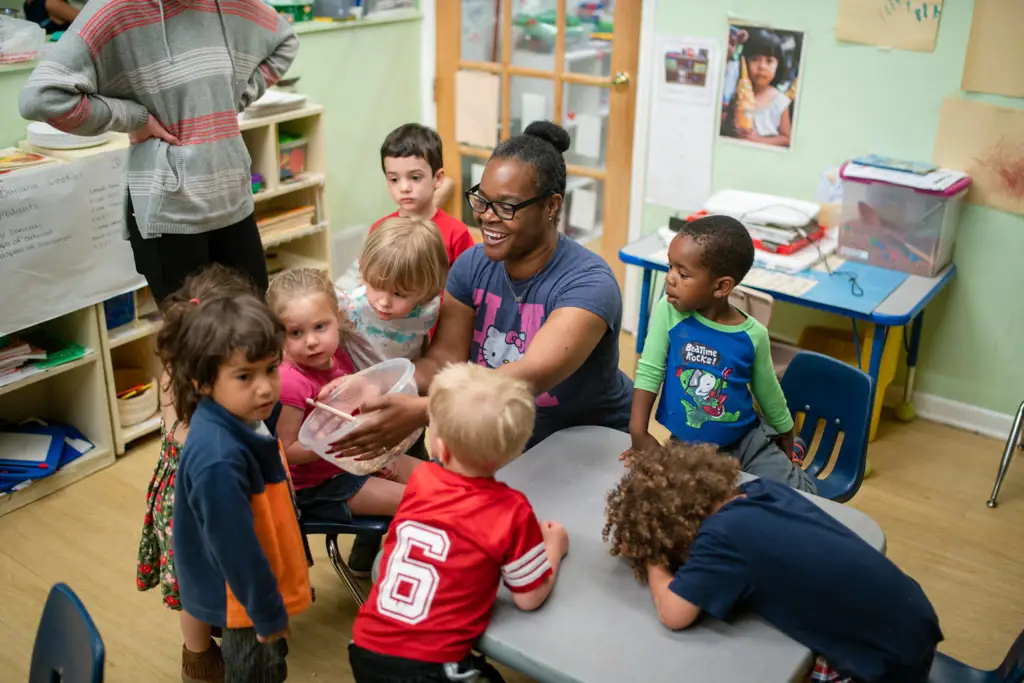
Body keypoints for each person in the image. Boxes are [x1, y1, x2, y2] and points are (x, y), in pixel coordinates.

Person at [324, 121, 633, 460]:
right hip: (502, 434)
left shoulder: (588, 284)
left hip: (589, 438)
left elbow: (528, 378)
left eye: (507, 206)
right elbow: (444, 360)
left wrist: (425, 410)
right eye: (482, 201)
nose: (487, 217)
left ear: (551, 206)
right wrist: (378, 383)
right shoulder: (472, 266)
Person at [18, 0, 299, 303]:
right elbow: (42, 97)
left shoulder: (231, 4)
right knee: (196, 343)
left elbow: (285, 40)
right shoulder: (114, 9)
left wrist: (234, 98)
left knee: (257, 334)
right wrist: (132, 118)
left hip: (233, 200)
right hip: (171, 215)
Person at [603, 442, 943, 683]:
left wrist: (652, 560)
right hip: (913, 618)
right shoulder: (763, 491)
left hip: (882, 663)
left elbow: (674, 613)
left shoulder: (721, 539)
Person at [349, 363, 569, 683]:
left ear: (438, 445)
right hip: (431, 667)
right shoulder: (511, 510)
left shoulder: (422, 478)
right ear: (516, 450)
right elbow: (529, 597)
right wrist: (554, 547)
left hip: (365, 646)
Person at [163, 291, 310, 683]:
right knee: (258, 673)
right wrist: (265, 609)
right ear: (203, 382)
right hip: (241, 599)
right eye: (245, 376)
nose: (264, 388)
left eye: (271, 370)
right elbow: (235, 547)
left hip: (252, 590)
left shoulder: (239, 415)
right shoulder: (219, 458)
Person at [624, 215, 816, 493]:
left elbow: (768, 391)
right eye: (670, 267)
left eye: (683, 273)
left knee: (801, 497)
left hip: (748, 443)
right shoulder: (669, 312)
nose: (670, 278)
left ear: (721, 286)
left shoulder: (753, 335)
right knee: (680, 504)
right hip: (688, 448)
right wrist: (638, 432)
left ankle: (790, 449)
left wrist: (787, 433)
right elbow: (650, 370)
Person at [136, 264, 259, 683]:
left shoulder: (189, 367)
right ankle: (199, 657)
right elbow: (190, 438)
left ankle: (222, 634)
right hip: (194, 501)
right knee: (197, 586)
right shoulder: (188, 379)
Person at [267, 267, 424, 577]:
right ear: (279, 336)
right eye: (295, 333)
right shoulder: (291, 382)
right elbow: (287, 451)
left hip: (353, 462)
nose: (311, 341)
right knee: (422, 500)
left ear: (337, 318)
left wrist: (376, 458)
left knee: (442, 483)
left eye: (320, 326)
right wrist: (333, 440)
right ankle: (408, 578)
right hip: (322, 486)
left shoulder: (338, 355)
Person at [724, 28, 792, 147]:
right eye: (754, 59)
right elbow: (726, 127)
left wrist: (757, 140)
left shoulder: (780, 101)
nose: (761, 66)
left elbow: (786, 138)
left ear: (778, 65)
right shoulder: (736, 94)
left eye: (769, 61)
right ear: (744, 62)